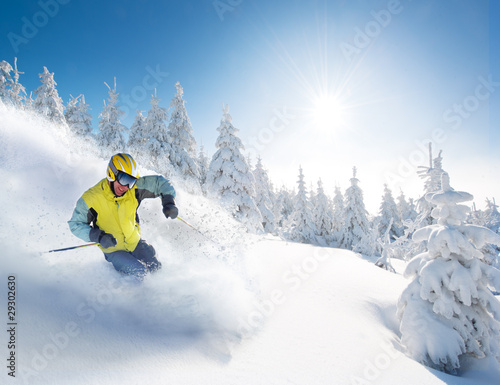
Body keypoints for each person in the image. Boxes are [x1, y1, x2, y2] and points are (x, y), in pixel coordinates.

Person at [68, 153, 178, 277]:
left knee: (156, 268)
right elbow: (75, 224)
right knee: (140, 272)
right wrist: (98, 236)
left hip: (134, 241)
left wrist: (169, 202)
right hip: (113, 249)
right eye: (124, 179)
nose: (125, 186)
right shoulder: (91, 198)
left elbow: (160, 182)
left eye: (130, 181)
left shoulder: (134, 189)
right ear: (112, 173)